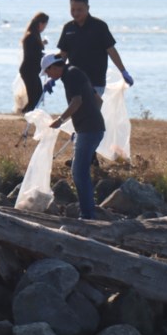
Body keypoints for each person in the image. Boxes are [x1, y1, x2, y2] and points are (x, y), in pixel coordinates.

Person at [42, 53, 104, 220]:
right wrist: (89, 117)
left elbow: (76, 102)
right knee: (80, 171)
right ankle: (88, 212)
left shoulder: (70, 76)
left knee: (79, 172)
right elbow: (98, 100)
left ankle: (87, 215)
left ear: (54, 67)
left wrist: (60, 120)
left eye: (48, 72)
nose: (48, 76)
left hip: (89, 130)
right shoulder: (75, 72)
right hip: (92, 128)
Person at [56, 0, 133, 95]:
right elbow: (63, 54)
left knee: (91, 111)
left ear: (88, 8)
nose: (75, 13)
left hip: (95, 81)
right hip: (73, 80)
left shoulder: (100, 26)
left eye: (79, 10)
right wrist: (54, 75)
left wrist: (123, 71)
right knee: (75, 110)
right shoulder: (68, 28)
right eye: (72, 10)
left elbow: (111, 50)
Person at [19, 12, 49, 113]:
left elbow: (35, 51)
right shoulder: (31, 36)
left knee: (36, 94)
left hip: (31, 69)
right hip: (28, 70)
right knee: (36, 95)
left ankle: (26, 112)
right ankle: (27, 113)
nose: (44, 27)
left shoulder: (34, 35)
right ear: (41, 23)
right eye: (45, 25)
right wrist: (42, 55)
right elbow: (31, 54)